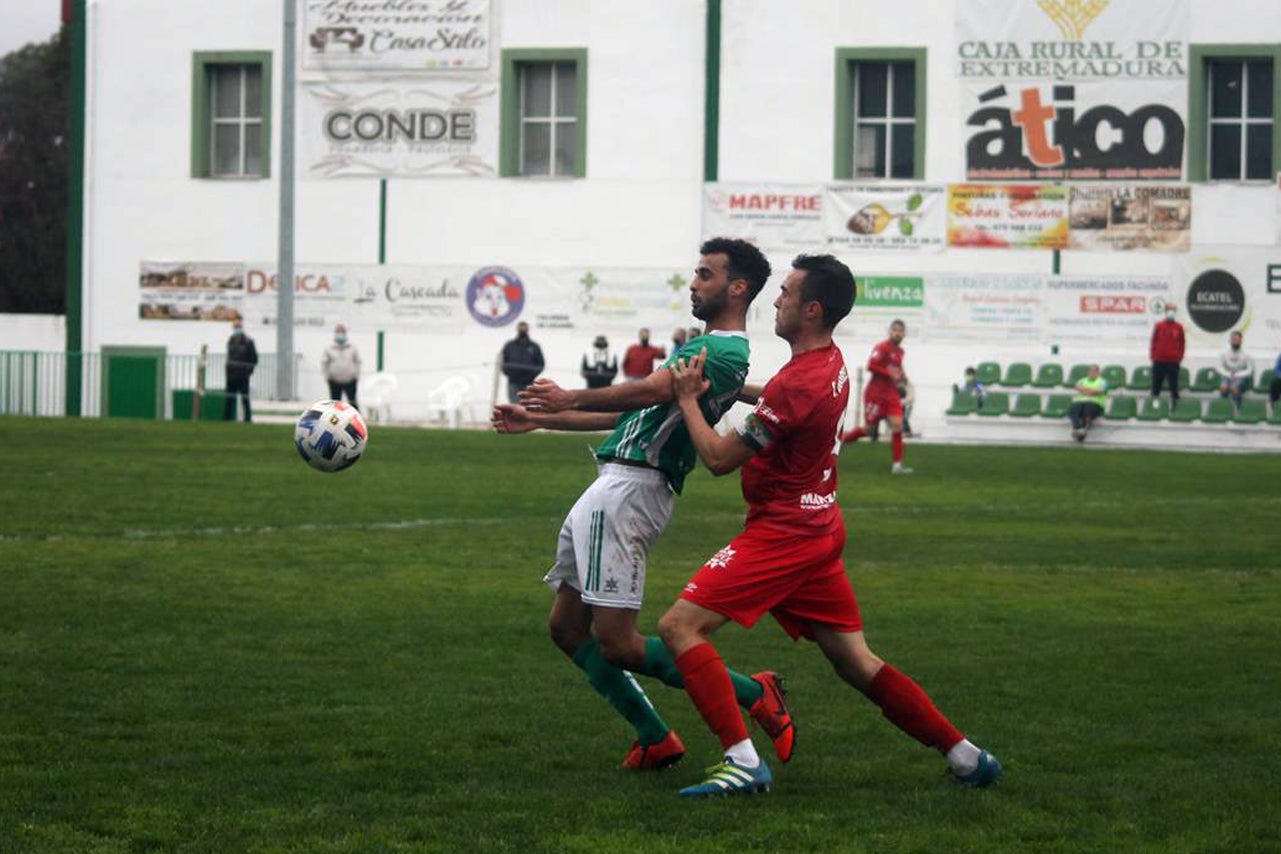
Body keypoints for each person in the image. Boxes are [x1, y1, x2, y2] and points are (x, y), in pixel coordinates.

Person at [660, 254, 1001, 798]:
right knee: (857, 663)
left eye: (788, 293)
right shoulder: (828, 363)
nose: (776, 299)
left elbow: (721, 458)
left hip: (785, 535)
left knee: (680, 627)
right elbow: (784, 399)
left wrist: (688, 402)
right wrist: (730, 391)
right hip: (818, 526)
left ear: (812, 309)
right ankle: (966, 756)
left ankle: (742, 762)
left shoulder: (800, 382)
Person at [491, 238, 793, 771]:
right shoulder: (705, 351)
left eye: (705, 274)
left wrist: (572, 396)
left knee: (620, 645)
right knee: (565, 628)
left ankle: (755, 693)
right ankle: (656, 737)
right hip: (611, 486)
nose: (694, 283)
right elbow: (632, 415)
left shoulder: (724, 351)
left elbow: (650, 391)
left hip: (633, 493)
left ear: (737, 287)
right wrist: (544, 418)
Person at [840, 319, 912, 474]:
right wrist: (891, 373)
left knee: (897, 425)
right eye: (895, 330)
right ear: (890, 331)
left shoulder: (900, 352)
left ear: (904, 334)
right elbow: (871, 365)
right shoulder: (881, 347)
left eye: (900, 330)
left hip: (891, 394)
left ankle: (897, 465)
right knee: (869, 430)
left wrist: (902, 377)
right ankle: (841, 440)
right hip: (876, 394)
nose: (897, 333)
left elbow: (896, 369)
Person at [500, 321, 545, 403]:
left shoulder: (534, 346)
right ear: (517, 329)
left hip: (528, 383)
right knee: (514, 406)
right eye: (521, 328)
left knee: (527, 406)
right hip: (513, 382)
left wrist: (531, 375)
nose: (522, 330)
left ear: (528, 329)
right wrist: (510, 373)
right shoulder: (510, 345)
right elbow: (503, 362)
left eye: (524, 328)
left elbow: (541, 364)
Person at [1150, 302, 1185, 405]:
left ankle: (1175, 409)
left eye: (1173, 310)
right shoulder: (1159, 325)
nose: (1171, 312)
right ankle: (1154, 407)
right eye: (1169, 309)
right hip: (1159, 361)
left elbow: (1182, 343)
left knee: (1174, 387)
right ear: (1165, 311)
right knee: (1156, 386)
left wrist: (1180, 357)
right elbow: (1154, 341)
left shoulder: (1179, 327)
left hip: (1173, 362)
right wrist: (1153, 356)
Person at [321, 323, 361, 411]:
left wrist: (356, 376)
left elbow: (357, 362)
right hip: (334, 381)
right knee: (335, 406)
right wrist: (327, 377)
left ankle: (356, 423)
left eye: (342, 332)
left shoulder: (352, 347)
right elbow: (324, 363)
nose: (340, 334)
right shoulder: (329, 348)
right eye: (338, 332)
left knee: (353, 402)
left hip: (350, 380)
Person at [224, 319, 258, 422]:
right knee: (229, 398)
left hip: (243, 375)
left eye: (238, 327)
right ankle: (226, 419)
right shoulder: (231, 340)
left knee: (245, 399)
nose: (236, 329)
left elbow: (254, 359)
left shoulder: (248, 342)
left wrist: (248, 371)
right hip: (231, 375)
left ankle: (247, 419)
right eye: (235, 327)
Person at [1069, 363, 1108, 442]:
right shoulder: (1082, 380)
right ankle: (1078, 429)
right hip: (1080, 401)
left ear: (1098, 372)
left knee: (1088, 410)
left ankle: (1080, 431)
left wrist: (1086, 390)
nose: (1092, 373)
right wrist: (1092, 391)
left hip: (1096, 403)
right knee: (1073, 409)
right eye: (1090, 371)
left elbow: (1099, 391)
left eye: (1094, 371)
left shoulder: (1103, 381)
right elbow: (1078, 387)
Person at [1218, 330, 1254, 409]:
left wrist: (1237, 375)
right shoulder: (1224, 352)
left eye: (1237, 340)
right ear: (1230, 341)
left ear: (1241, 341)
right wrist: (1229, 375)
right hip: (1227, 375)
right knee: (1223, 387)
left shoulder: (1246, 353)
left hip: (1241, 377)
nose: (1235, 342)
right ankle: (1224, 409)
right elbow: (1219, 367)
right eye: (1233, 340)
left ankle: (1238, 409)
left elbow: (1250, 370)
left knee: (1234, 388)